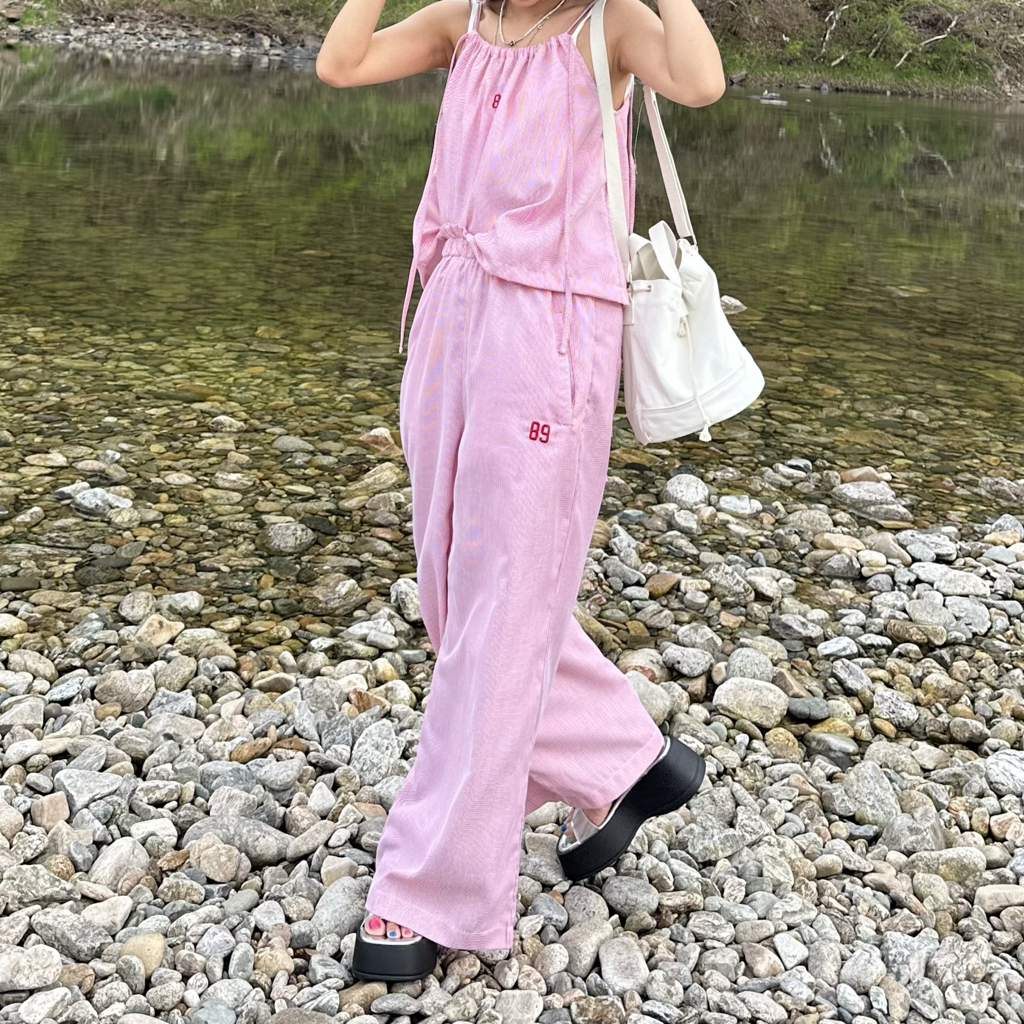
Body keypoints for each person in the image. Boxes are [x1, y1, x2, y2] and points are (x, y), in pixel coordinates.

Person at [316, 0, 725, 981]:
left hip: (550, 336)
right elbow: (342, 62)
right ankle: (622, 756)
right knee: (456, 595)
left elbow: (701, 80)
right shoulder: (463, 20)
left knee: (502, 612)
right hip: (449, 317)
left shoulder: (607, 27)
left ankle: (432, 886)